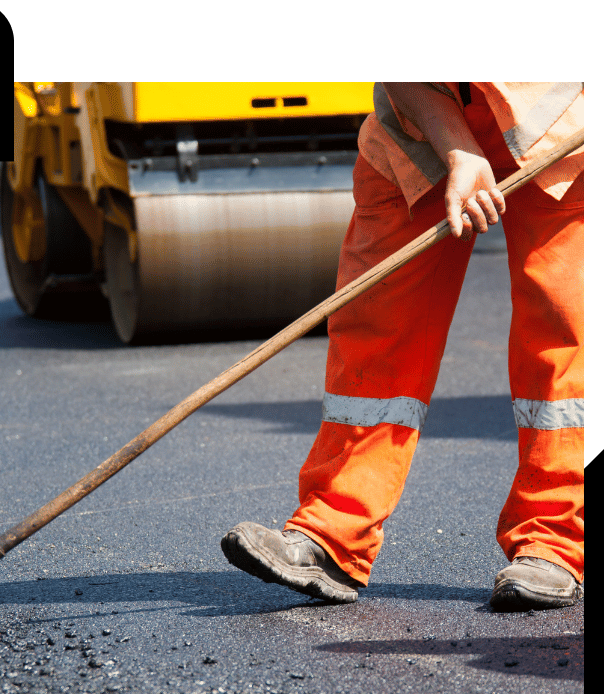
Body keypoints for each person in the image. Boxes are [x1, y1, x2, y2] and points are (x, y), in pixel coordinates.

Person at [222, 82, 584, 612]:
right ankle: (332, 535)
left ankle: (554, 541)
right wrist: (459, 150)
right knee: (375, 321)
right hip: (417, 129)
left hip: (558, 130)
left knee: (562, 328)